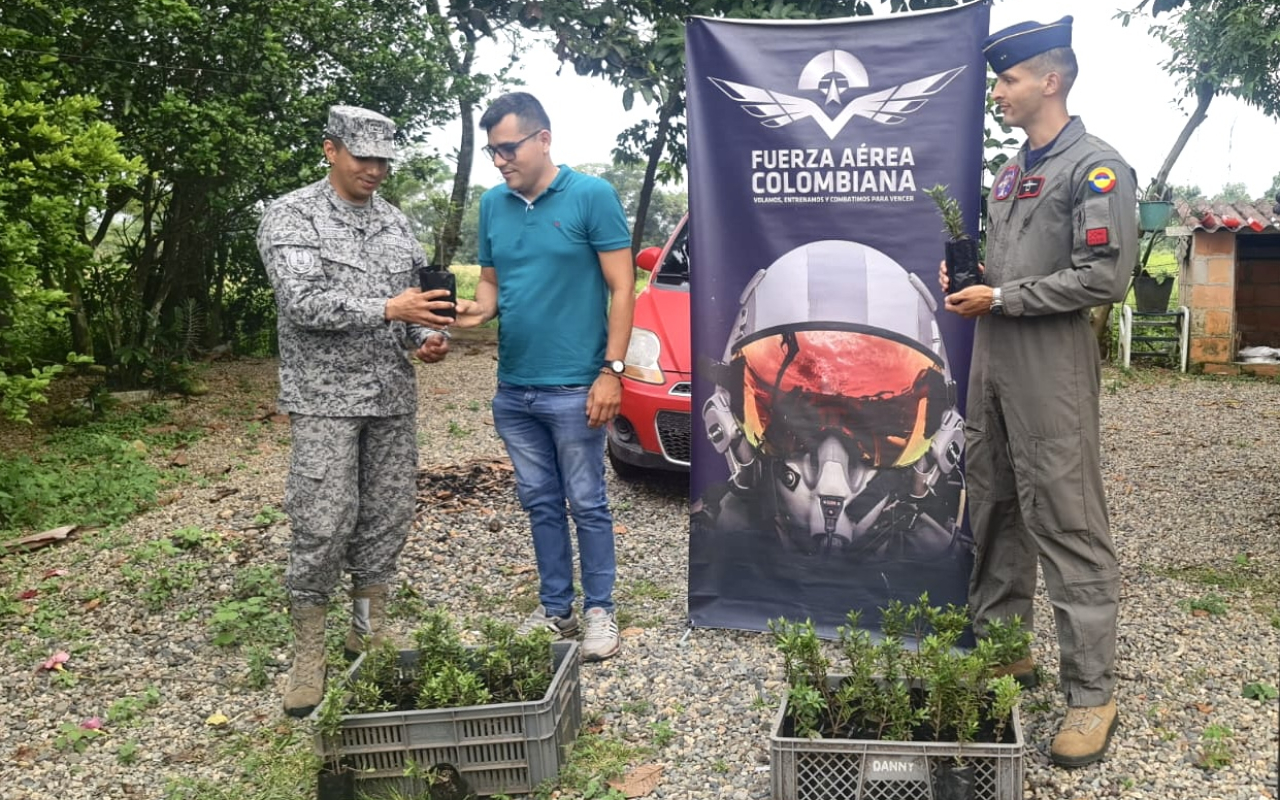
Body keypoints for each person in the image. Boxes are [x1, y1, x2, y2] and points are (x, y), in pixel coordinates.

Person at [941, 17, 1137, 767]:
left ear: (1050, 79)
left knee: (1068, 522)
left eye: (1009, 80)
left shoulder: (1097, 169)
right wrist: (974, 287)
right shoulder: (1012, 171)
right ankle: (1004, 653)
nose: (999, 93)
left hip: (1050, 372)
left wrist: (1002, 297)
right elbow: (1006, 271)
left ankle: (1092, 694)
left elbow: (1105, 279)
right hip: (994, 364)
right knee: (994, 508)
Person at [257, 105, 455, 717]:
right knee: (323, 519)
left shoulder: (398, 225)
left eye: (384, 160)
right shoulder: (291, 216)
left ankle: (366, 629)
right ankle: (308, 654)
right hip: (325, 401)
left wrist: (426, 339)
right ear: (330, 150)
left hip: (391, 398)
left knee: (388, 515)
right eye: (363, 157)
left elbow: (412, 312)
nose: (375, 170)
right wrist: (391, 311)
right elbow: (303, 303)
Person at [453, 92, 634, 662]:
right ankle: (556, 609)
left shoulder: (591, 197)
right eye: (492, 151)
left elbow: (623, 288)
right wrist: (473, 312)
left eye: (508, 147)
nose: (501, 160)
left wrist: (613, 371)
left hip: (576, 386)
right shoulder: (492, 205)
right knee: (539, 502)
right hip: (515, 389)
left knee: (587, 500)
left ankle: (600, 611)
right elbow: (491, 284)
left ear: (543, 139)